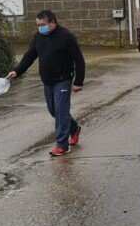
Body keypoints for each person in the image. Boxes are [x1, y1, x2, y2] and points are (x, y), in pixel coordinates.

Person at [7, 10, 85, 157]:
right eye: (38, 25)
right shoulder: (38, 37)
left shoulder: (66, 36)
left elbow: (79, 59)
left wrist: (78, 81)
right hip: (47, 80)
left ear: (52, 22)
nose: (40, 28)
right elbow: (29, 56)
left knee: (61, 112)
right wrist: (17, 71)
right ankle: (74, 129)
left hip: (63, 80)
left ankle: (62, 145)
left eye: (42, 24)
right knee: (53, 111)